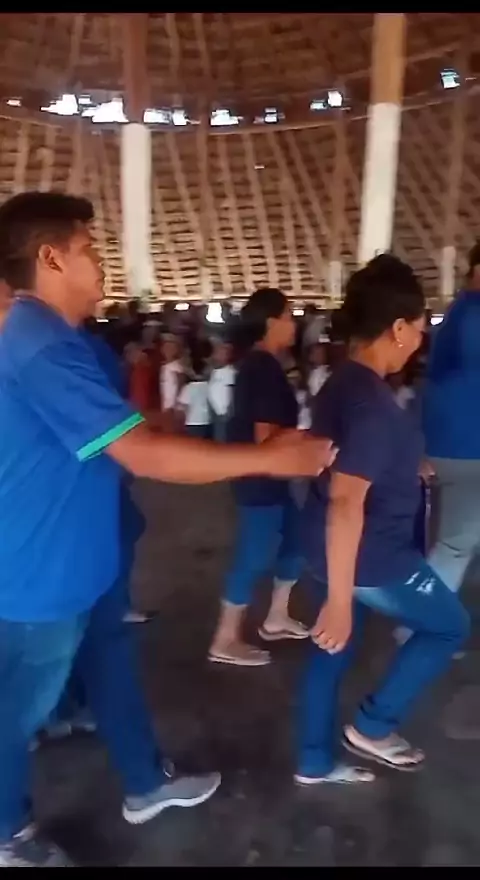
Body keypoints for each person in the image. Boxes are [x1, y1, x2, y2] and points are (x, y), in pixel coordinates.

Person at [0, 192, 335, 867]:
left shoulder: (55, 339)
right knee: (12, 719)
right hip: (41, 577)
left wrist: (159, 428)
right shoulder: (39, 345)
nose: (101, 265)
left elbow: (113, 433)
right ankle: (8, 833)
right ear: (50, 258)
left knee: (110, 665)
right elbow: (142, 457)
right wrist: (270, 459)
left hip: (83, 562)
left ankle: (146, 783)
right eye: (89, 251)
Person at [296, 254, 469, 786]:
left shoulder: (343, 382)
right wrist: (340, 599)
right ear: (396, 328)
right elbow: (348, 501)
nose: (421, 338)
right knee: (449, 626)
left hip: (330, 544)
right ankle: (374, 725)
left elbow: (349, 461)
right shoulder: (372, 402)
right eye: (419, 327)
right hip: (373, 555)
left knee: (331, 650)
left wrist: (405, 464)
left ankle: (314, 760)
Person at [209, 288, 311, 667]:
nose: (294, 323)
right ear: (271, 322)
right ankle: (225, 638)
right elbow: (265, 436)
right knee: (254, 554)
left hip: (276, 474)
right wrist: (308, 439)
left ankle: (277, 616)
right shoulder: (262, 367)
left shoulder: (265, 364)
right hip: (260, 476)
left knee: (296, 541)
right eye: (288, 315)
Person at [423, 240, 480, 594]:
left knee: (458, 541)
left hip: (451, 441)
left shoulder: (460, 312)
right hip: (467, 446)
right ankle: (425, 617)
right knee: (455, 545)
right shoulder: (474, 315)